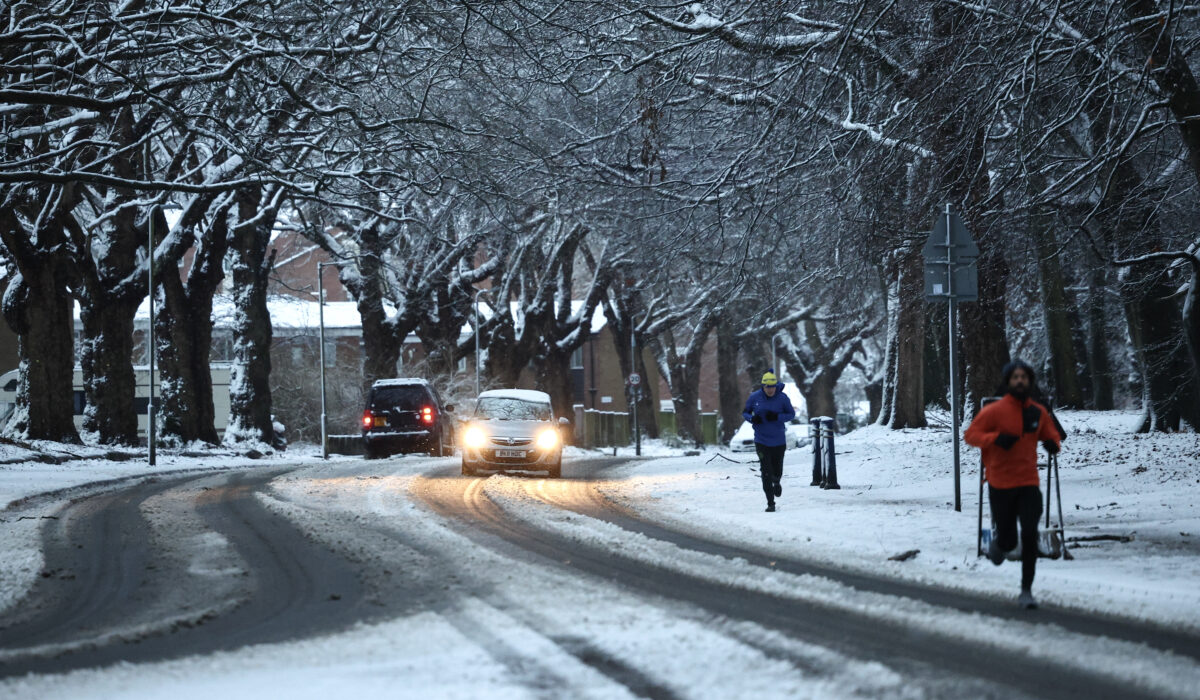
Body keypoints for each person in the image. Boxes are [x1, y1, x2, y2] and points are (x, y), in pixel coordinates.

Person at [964, 360, 1062, 609]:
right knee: (1008, 540)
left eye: (1024, 377)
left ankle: (1026, 590)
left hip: (1028, 482)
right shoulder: (994, 411)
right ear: (1008, 382)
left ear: (1029, 382)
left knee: (1029, 534)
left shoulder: (1037, 412)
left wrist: (1052, 445)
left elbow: (1051, 435)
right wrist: (996, 438)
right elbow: (971, 436)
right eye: (1015, 377)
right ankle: (999, 546)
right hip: (1000, 482)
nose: (1020, 381)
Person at [742, 370, 796, 512]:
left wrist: (777, 417)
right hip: (761, 441)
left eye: (772, 387)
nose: (770, 390)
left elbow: (791, 414)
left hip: (778, 440)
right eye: (768, 387)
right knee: (765, 471)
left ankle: (777, 481)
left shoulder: (783, 398)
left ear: (776, 386)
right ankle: (770, 503)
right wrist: (752, 418)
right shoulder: (754, 397)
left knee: (777, 469)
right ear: (763, 386)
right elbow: (745, 412)